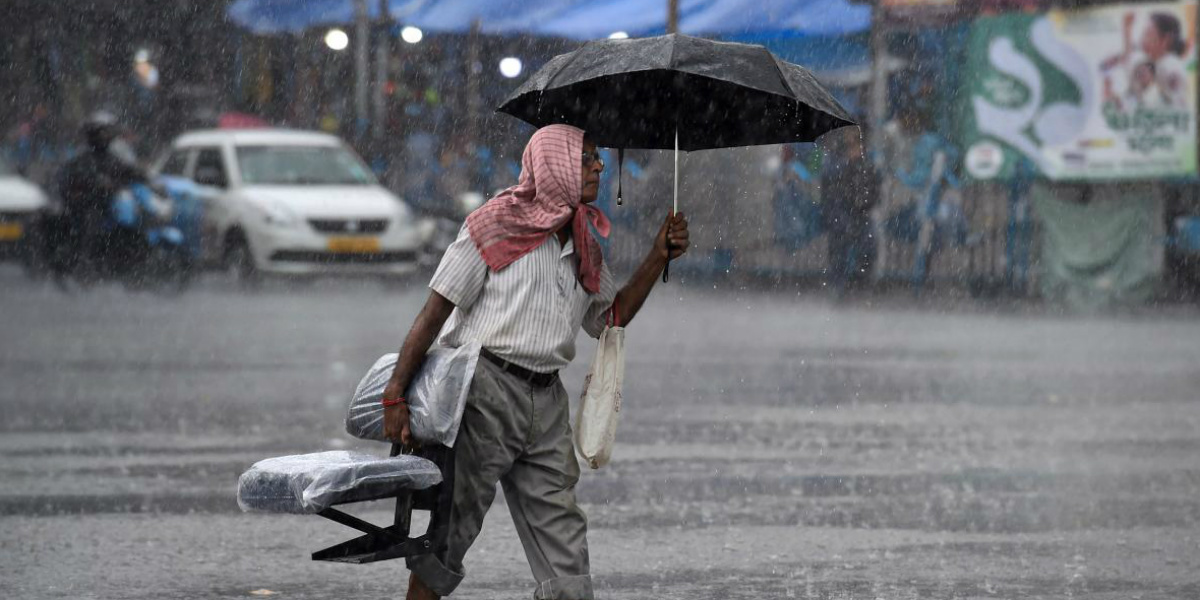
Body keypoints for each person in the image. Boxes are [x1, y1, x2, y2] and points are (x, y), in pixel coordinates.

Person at [381, 124, 689, 600]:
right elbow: (434, 312)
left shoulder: (584, 241)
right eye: (586, 158)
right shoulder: (492, 223)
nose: (598, 166)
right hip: (483, 393)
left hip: (546, 402)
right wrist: (395, 394)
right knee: (450, 532)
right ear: (556, 165)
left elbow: (610, 318)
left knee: (563, 540)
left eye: (597, 158)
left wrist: (656, 255)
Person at [55, 111, 155, 275]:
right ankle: (86, 262)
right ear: (93, 135)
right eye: (103, 133)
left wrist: (148, 177)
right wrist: (96, 186)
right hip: (88, 206)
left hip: (110, 204)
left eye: (108, 133)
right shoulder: (82, 160)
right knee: (92, 224)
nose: (107, 137)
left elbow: (129, 171)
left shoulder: (111, 158)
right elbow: (74, 182)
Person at [820, 128, 877, 295]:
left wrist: (862, 207)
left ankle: (861, 282)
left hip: (859, 214)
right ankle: (838, 283)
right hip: (837, 213)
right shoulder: (833, 161)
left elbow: (871, 192)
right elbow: (831, 194)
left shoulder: (864, 164)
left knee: (869, 240)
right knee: (840, 239)